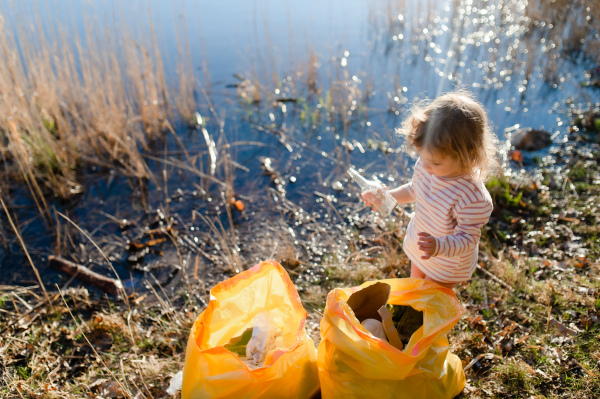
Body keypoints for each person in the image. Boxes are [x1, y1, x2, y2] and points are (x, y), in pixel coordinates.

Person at [362, 91, 498, 289]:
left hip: (447, 262)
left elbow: (468, 239)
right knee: (414, 287)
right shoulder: (428, 166)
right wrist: (387, 197)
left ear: (467, 155)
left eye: (435, 162)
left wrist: (439, 246)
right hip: (422, 246)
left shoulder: (472, 197)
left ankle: (427, 318)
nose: (425, 166)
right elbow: (414, 190)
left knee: (430, 299)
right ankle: (410, 314)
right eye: (422, 157)